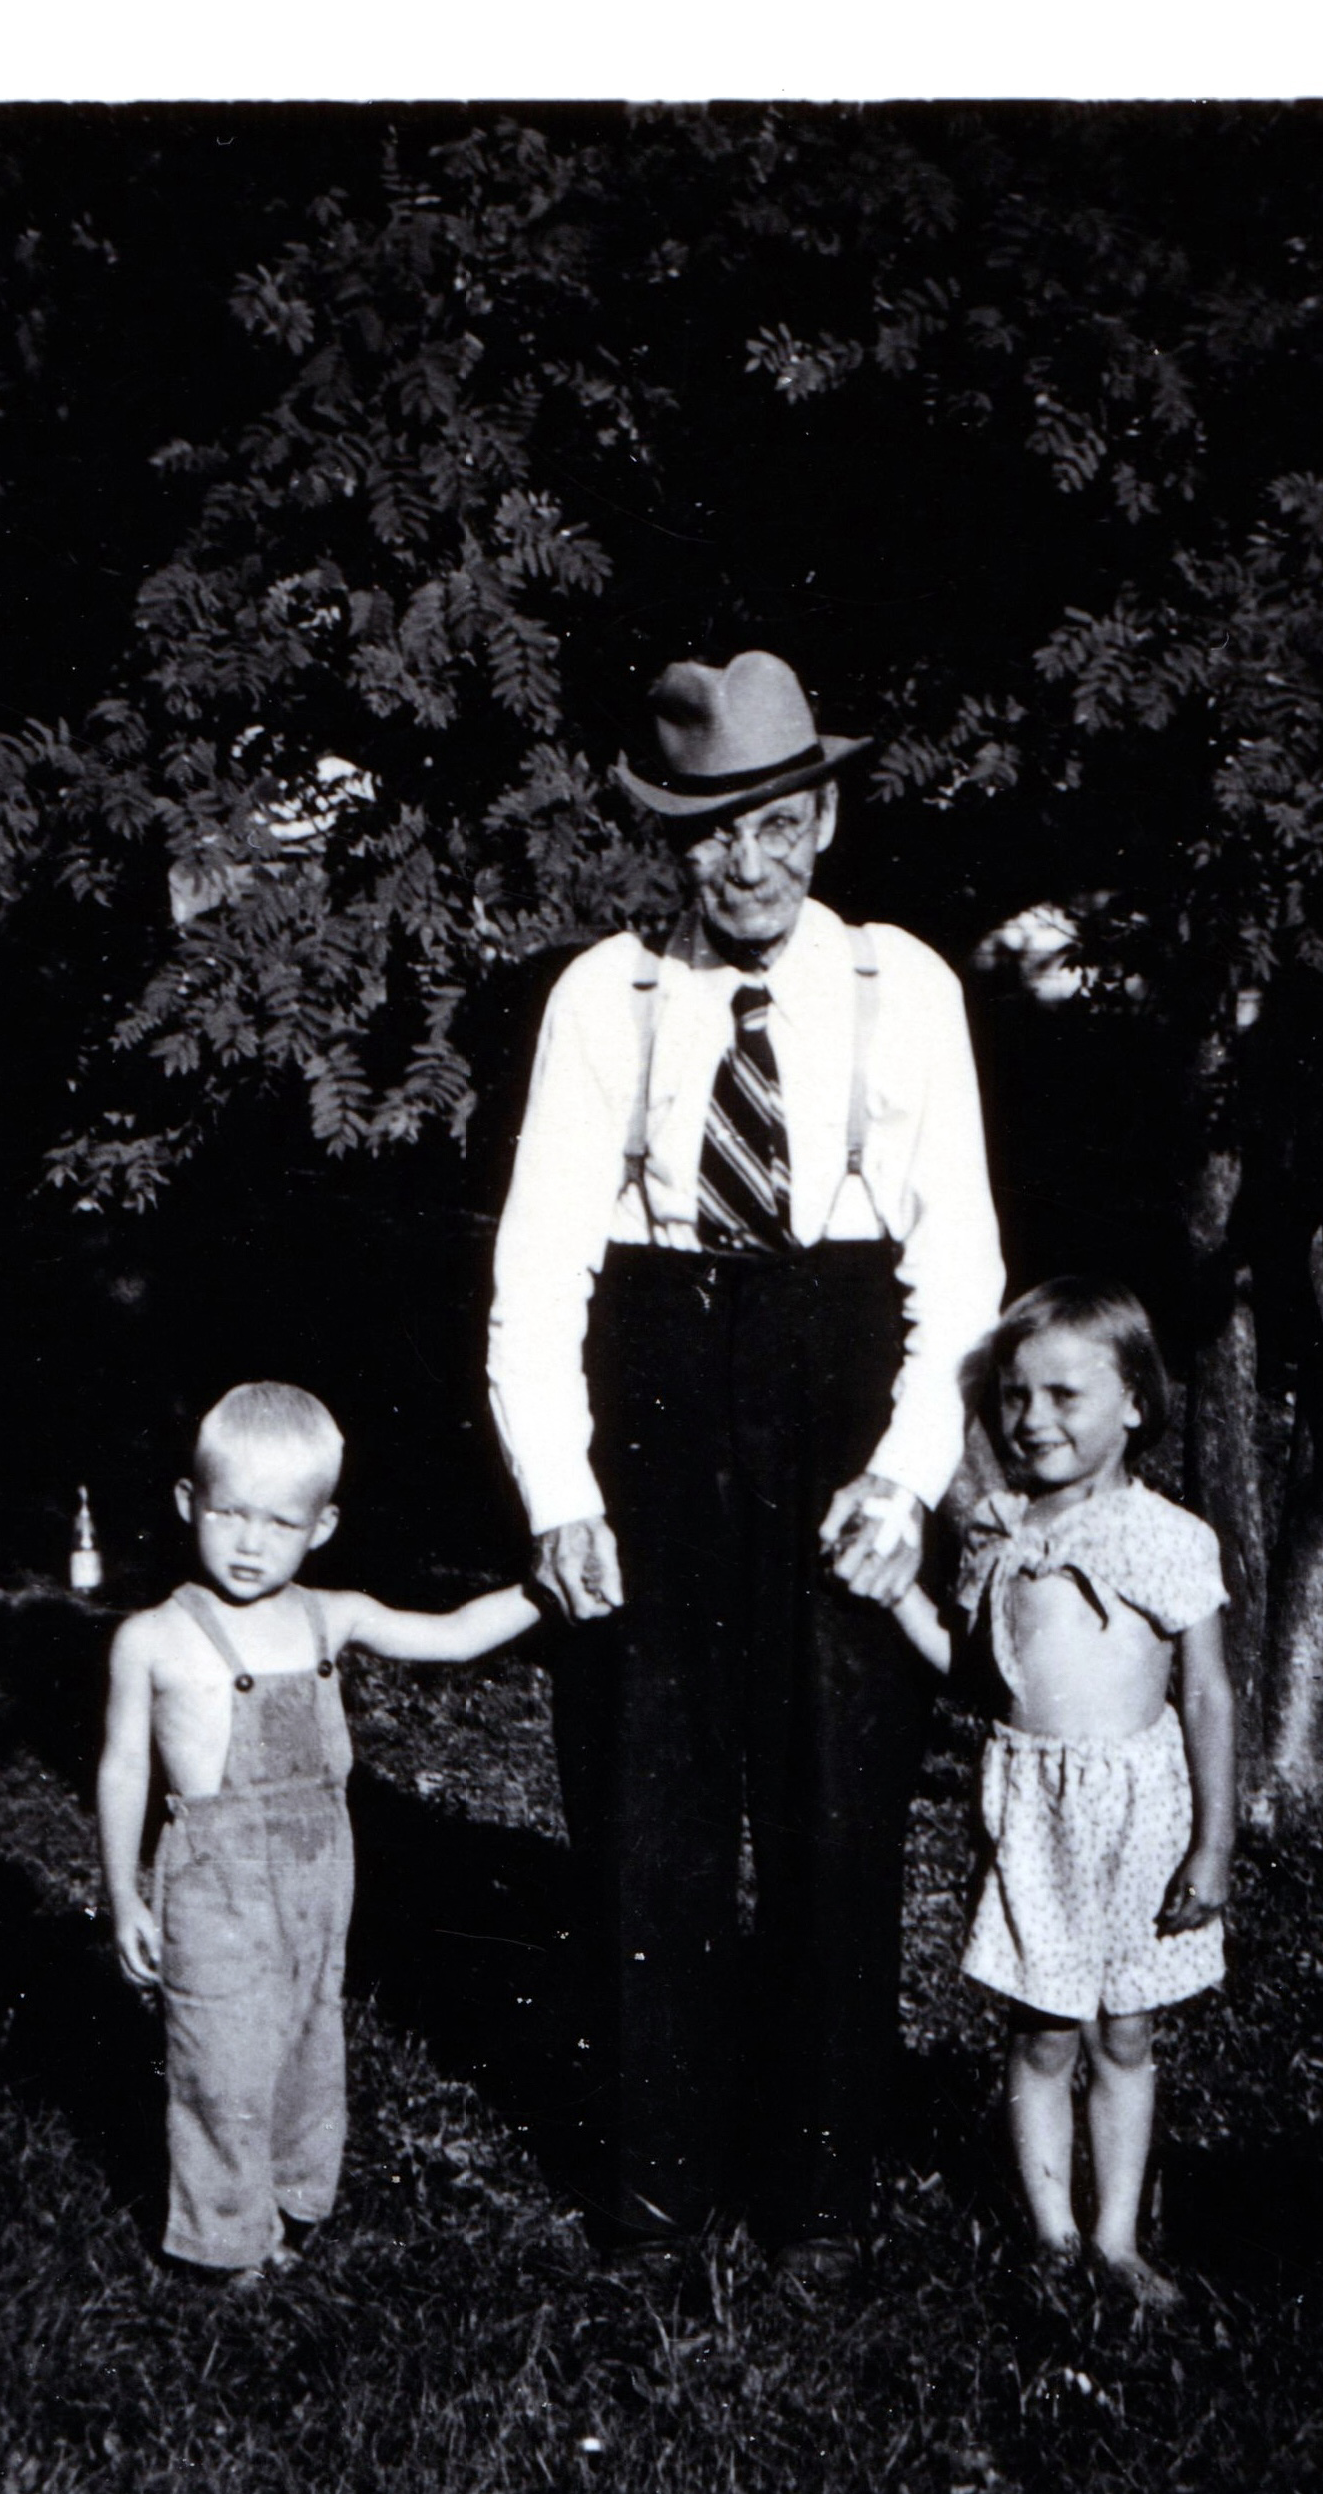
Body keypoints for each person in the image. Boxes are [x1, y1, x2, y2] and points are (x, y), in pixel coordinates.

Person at [486, 651, 1006, 2278]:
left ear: (827, 813)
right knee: (650, 1811)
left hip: (844, 1405)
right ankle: (657, 2190)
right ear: (670, 843)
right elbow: (538, 1263)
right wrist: (560, 1488)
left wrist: (907, 1472)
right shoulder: (605, 995)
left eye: (779, 824)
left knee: (838, 1813)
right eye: (715, 836)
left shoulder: (900, 988)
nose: (751, 863)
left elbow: (962, 1262)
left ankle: (824, 2194)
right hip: (654, 1403)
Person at [96, 1383, 540, 2279]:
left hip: (316, 1875)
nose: (251, 1543)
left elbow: (451, 1635)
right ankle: (226, 2240)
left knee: (306, 2036)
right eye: (229, 1514)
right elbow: (123, 1769)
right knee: (218, 2059)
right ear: (189, 1504)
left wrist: (551, 1590)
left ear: (322, 1527)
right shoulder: (153, 1639)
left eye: (279, 1522)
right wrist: (122, 1894)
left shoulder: (329, 1616)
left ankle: (294, 2198)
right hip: (215, 1882)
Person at [874, 1280, 1237, 2307]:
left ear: (1134, 1401)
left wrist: (1212, 1845)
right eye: (1014, 1396)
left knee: (1125, 2030)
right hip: (1033, 1805)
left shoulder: (1168, 1536)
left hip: (1141, 1814)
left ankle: (1118, 2238)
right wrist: (898, 1592)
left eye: (1063, 1395)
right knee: (1040, 2027)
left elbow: (1206, 1693)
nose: (1032, 1419)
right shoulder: (995, 1530)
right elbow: (974, 1670)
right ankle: (1052, 2232)